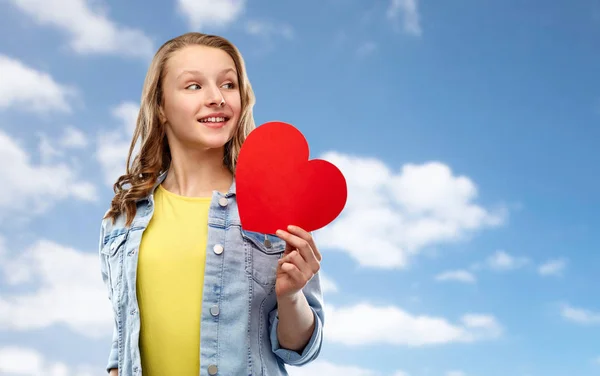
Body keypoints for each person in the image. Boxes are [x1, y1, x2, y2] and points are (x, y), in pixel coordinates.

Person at [98, 32, 324, 376]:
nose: (217, 98)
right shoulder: (122, 218)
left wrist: (292, 296)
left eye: (228, 84)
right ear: (160, 107)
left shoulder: (275, 206)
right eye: (194, 86)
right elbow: (123, 340)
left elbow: (301, 349)